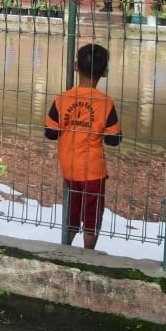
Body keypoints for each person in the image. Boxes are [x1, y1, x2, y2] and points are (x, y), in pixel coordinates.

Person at [44, 43, 122, 250]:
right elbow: (113, 139)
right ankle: (88, 255)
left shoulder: (62, 98)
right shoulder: (106, 102)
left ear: (75, 66)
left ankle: (65, 250)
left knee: (72, 213)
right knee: (91, 218)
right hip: (93, 172)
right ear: (105, 73)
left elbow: (50, 133)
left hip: (69, 169)